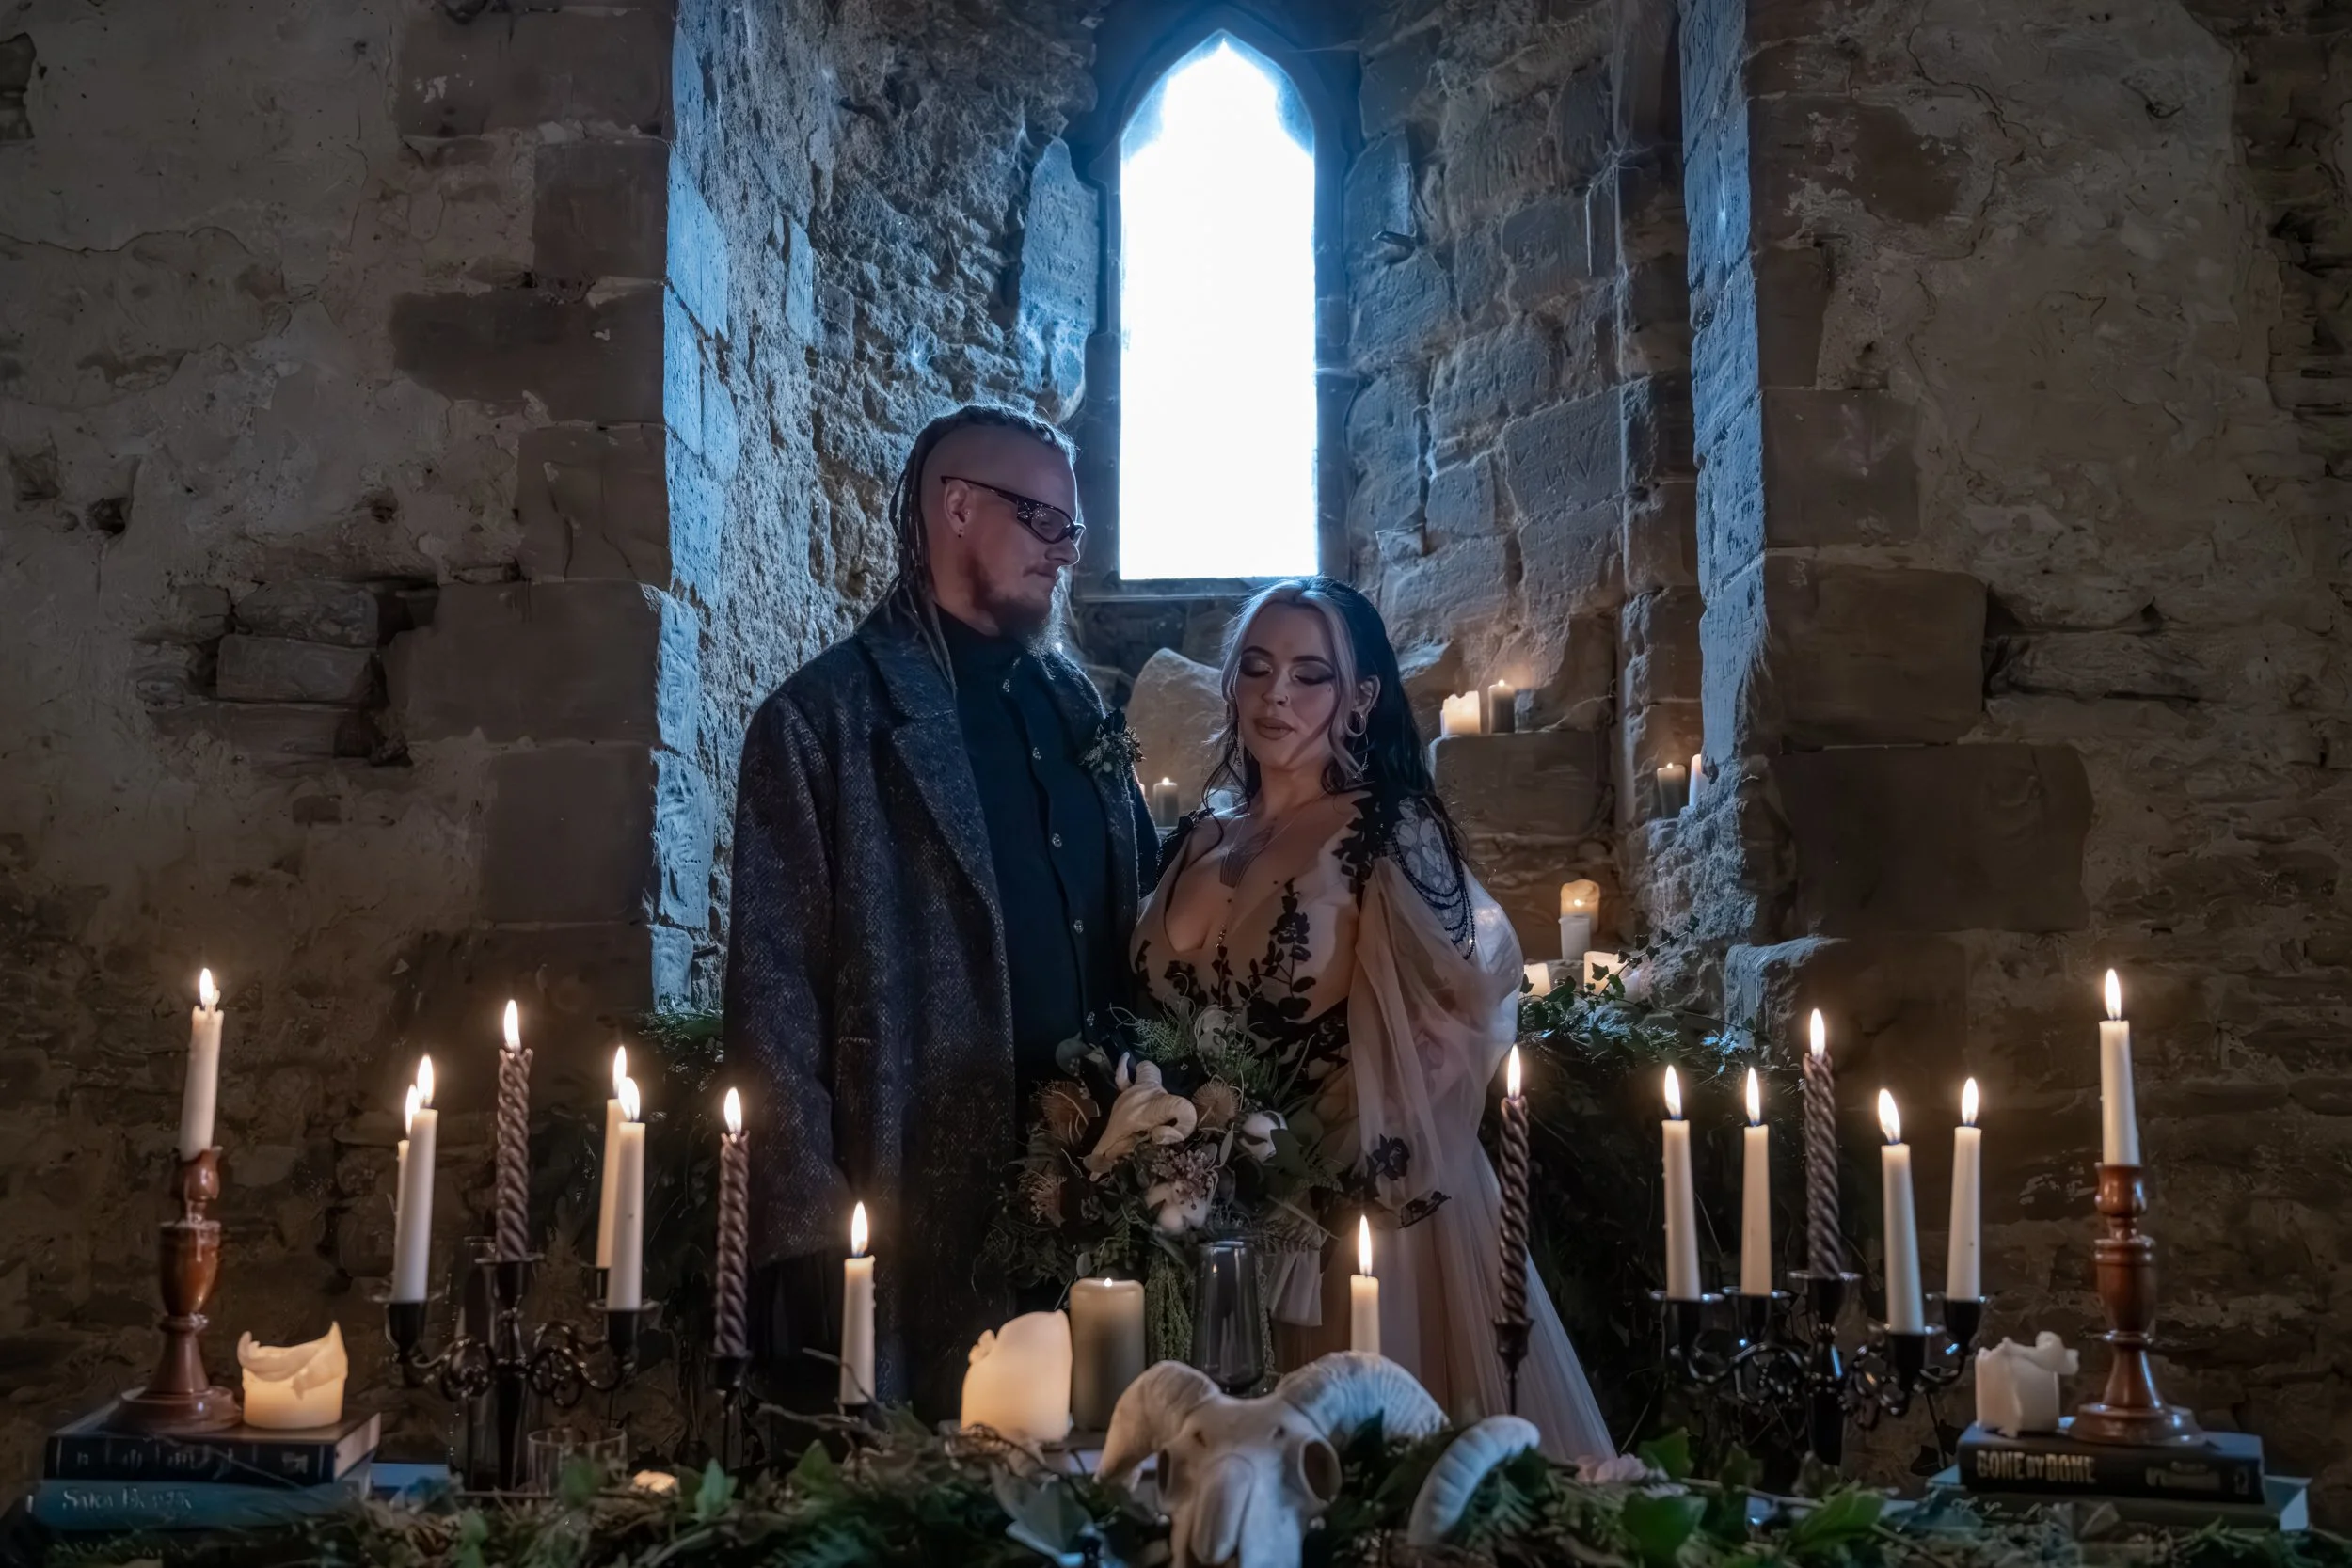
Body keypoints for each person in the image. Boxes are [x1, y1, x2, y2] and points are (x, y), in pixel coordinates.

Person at [724, 404, 1156, 1417]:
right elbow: (772, 1002)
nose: (1065, 552)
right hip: (915, 1181)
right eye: (1043, 522)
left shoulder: (1081, 710)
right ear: (955, 508)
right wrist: (807, 1235)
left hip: (1095, 1188)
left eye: (1074, 532)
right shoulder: (823, 719)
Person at [1129, 577, 1612, 1460]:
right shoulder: (1196, 836)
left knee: (1371, 1492)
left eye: (1310, 675)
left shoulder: (1391, 830)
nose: (1277, 694)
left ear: (1360, 699)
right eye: (1258, 668)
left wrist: (1304, 1171)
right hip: (1187, 1224)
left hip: (1354, 1216)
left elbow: (1460, 1024)